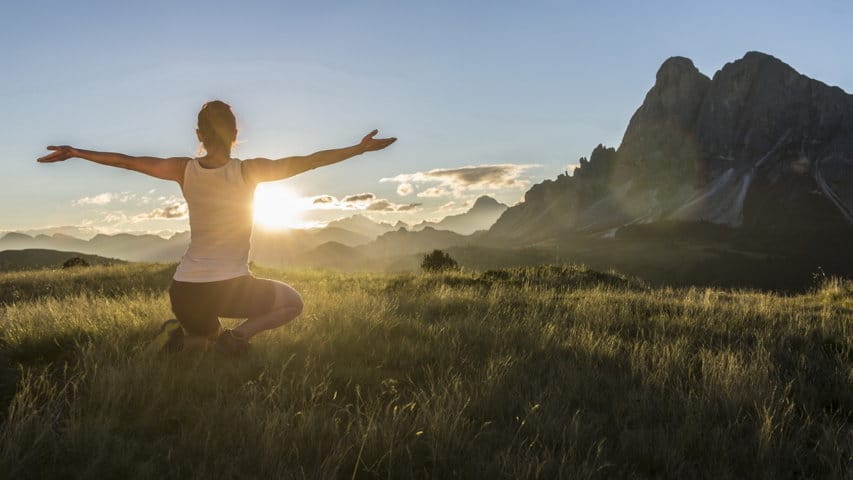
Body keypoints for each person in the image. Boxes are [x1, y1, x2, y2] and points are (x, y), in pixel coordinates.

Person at [38, 100, 397, 355]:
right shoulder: (248, 171)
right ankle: (236, 338)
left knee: (204, 341)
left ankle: (197, 336)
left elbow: (128, 162)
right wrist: (358, 150)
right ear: (236, 134)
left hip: (185, 293)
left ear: (199, 134)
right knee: (292, 303)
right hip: (229, 289)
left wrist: (77, 152)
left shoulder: (183, 169)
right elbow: (310, 162)